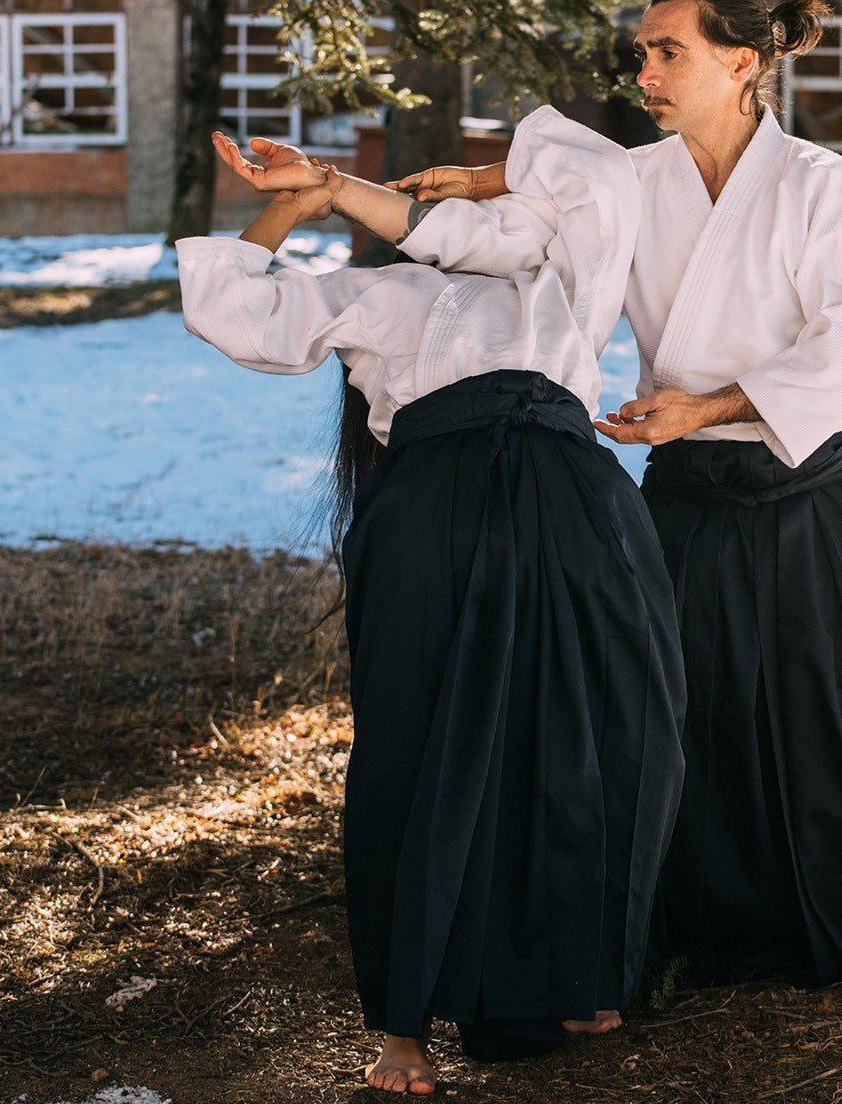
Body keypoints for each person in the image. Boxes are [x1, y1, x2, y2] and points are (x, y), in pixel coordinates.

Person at [387, 0, 842, 990]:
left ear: (743, 62)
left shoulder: (826, 188)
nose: (645, 71)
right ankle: (703, 929)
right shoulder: (638, 183)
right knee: (675, 710)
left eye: (667, 49)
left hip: (818, 483)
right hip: (685, 491)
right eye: (640, 51)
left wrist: (707, 406)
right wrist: (432, 188)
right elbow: (541, 217)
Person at [176, 105, 687, 1094]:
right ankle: (402, 1025)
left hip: (574, 504)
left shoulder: (564, 273)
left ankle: (575, 970)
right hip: (432, 513)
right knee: (419, 746)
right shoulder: (376, 294)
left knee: (607, 728)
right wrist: (301, 201)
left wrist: (478, 177)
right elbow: (232, 311)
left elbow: (593, 178)